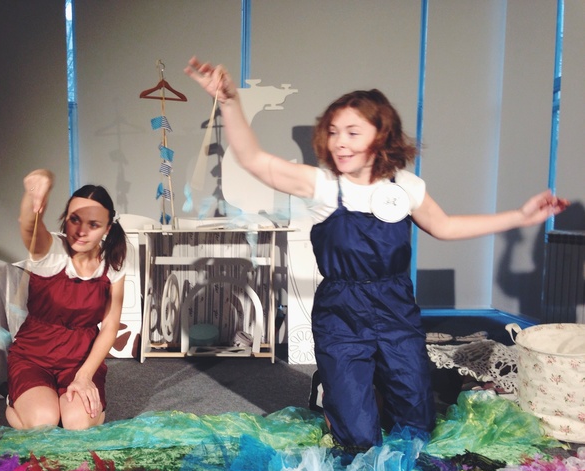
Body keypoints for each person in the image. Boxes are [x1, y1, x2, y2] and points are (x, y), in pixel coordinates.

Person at [185, 56, 570, 450]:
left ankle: (375, 399)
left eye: (353, 132)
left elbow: (446, 227)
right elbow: (254, 160)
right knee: (358, 437)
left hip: (395, 306)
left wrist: (520, 216)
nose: (340, 142)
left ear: (381, 136)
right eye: (333, 132)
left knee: (416, 420)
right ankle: (335, 393)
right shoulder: (323, 185)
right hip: (341, 311)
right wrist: (229, 102)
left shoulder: (407, 186)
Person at [6, 169, 128, 430]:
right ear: (66, 219)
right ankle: (16, 401)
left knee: (76, 423)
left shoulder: (113, 264)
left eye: (93, 225)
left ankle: (74, 404)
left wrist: (85, 376)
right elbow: (28, 225)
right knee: (44, 421)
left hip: (80, 359)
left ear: (107, 228)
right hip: (34, 356)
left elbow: (110, 326)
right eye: (75, 220)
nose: (81, 231)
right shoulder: (49, 251)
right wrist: (37, 191)